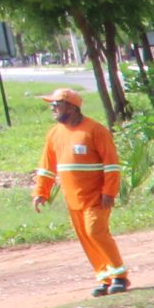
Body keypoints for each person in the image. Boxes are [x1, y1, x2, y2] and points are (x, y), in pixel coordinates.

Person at [30, 88, 127, 296]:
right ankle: (104, 277)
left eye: (57, 104)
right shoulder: (54, 134)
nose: (53, 108)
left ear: (72, 107)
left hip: (97, 198)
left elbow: (111, 165)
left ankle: (120, 276)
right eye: (52, 105)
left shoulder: (95, 130)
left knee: (96, 232)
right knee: (86, 238)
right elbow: (47, 167)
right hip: (73, 200)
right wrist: (41, 192)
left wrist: (109, 191)